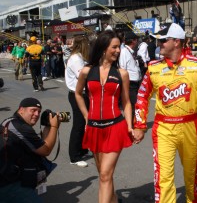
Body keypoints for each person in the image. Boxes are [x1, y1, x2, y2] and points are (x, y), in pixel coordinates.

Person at [133, 23, 197, 203]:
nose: (159, 43)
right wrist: (139, 125)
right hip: (163, 128)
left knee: (193, 175)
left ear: (176, 42)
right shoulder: (153, 67)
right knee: (163, 178)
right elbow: (141, 96)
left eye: (163, 40)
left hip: (190, 126)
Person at [75, 30, 134, 203]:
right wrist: (86, 116)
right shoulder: (86, 71)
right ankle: (114, 199)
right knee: (103, 174)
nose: (118, 50)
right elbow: (78, 94)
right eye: (114, 47)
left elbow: (127, 102)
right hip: (94, 128)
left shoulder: (122, 74)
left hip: (115, 127)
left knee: (105, 175)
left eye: (119, 47)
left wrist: (129, 125)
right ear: (103, 48)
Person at [0, 97, 60, 202]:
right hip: (8, 182)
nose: (37, 114)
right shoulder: (21, 128)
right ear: (21, 110)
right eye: (33, 110)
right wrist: (54, 127)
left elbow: (41, 145)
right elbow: (46, 150)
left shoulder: (11, 122)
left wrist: (47, 126)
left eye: (39, 112)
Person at [65, 35, 90, 168]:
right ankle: (74, 156)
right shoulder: (76, 59)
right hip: (76, 94)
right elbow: (83, 76)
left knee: (84, 123)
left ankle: (82, 149)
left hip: (82, 94)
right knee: (79, 125)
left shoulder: (80, 57)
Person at [118, 31, 142, 119]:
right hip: (130, 82)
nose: (137, 42)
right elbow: (122, 68)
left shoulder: (130, 51)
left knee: (134, 104)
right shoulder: (124, 52)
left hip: (135, 82)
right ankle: (130, 125)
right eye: (136, 40)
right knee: (132, 104)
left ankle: (131, 123)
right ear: (133, 41)